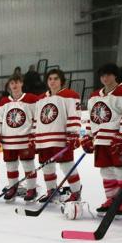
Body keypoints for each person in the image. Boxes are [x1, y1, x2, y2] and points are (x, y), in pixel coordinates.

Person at [35, 69, 83, 204]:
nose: (52, 81)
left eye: (56, 78)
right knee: (47, 167)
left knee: (67, 165)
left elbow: (75, 115)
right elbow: (37, 120)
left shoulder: (70, 95)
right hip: (43, 139)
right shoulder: (40, 99)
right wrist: (35, 139)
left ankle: (75, 192)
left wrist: (73, 134)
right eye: (50, 79)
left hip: (60, 139)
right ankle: (52, 191)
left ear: (62, 81)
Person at [82, 63, 122, 212]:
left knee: (120, 171)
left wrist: (121, 136)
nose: (105, 78)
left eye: (108, 74)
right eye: (103, 75)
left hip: (116, 141)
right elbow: (92, 119)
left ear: (115, 75)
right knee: (106, 171)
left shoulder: (121, 91)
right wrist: (88, 136)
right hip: (100, 141)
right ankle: (111, 200)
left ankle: (121, 201)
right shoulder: (94, 96)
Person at [0, 74, 41, 201]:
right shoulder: (4, 101)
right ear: (9, 86)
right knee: (11, 167)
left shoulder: (31, 99)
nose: (14, 85)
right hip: (8, 141)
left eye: (16, 82)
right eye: (12, 83)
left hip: (25, 140)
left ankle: (31, 189)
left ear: (21, 83)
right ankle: (12, 188)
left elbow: (37, 119)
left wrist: (33, 134)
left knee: (28, 165)